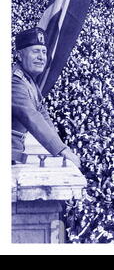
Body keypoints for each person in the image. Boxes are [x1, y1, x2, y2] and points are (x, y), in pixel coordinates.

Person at [12, 27, 80, 168]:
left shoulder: (28, 79)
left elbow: (42, 113)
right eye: (35, 51)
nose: (41, 57)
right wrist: (61, 150)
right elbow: (31, 116)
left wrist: (61, 146)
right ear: (19, 55)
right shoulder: (14, 81)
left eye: (44, 52)